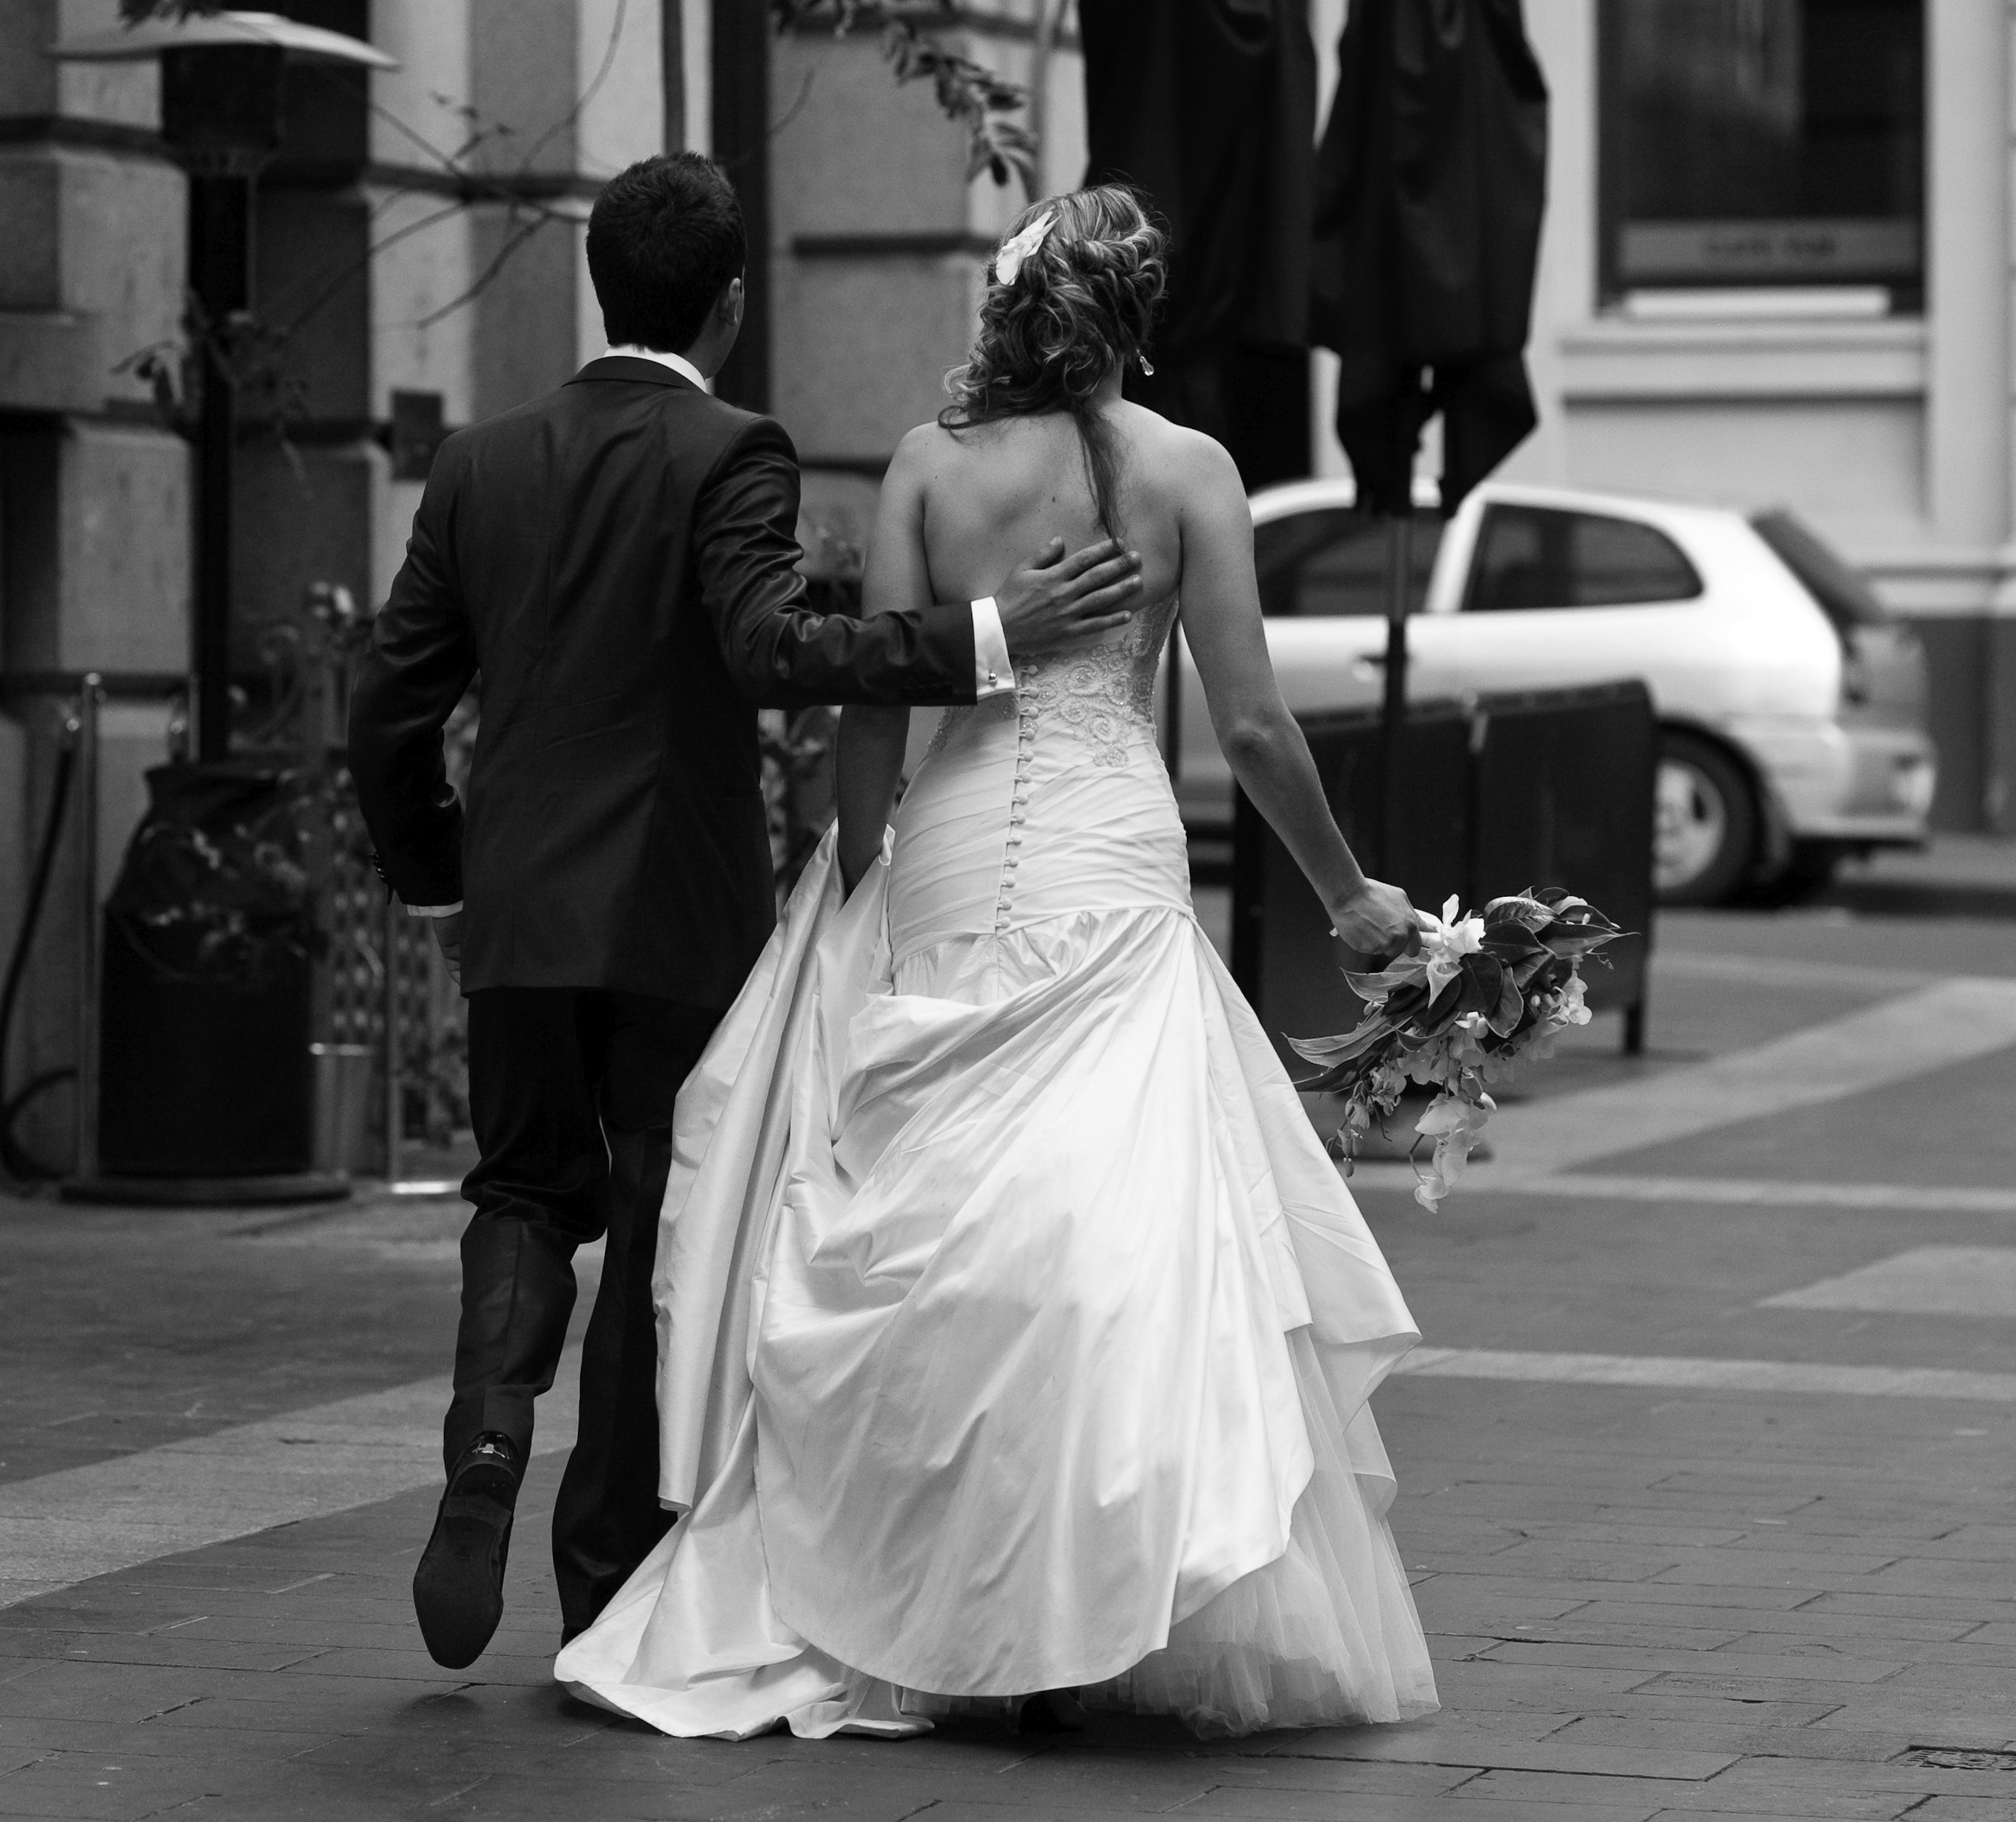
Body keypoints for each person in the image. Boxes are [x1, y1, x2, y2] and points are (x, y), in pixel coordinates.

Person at [550, 185, 1440, 1739]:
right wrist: (1348, 893)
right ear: (1135, 317)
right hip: (1110, 860)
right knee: (1111, 1231)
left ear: (1011, 309)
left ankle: (938, 1584)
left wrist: (856, 880)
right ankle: (1087, 1586)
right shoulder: (1189, 471)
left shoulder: (927, 464)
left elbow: (875, 707)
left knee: (943, 1216)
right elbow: (1248, 726)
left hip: (955, 853)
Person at [347, 151, 1146, 1671]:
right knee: (659, 1216)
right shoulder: (731, 448)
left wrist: (443, 868)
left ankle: (488, 1444)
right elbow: (773, 650)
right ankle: (603, 1585)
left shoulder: (478, 462)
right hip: (671, 909)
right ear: (728, 302)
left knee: (522, 1192)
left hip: (519, 911)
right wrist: (992, 631)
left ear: (602, 286)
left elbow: (388, 703)